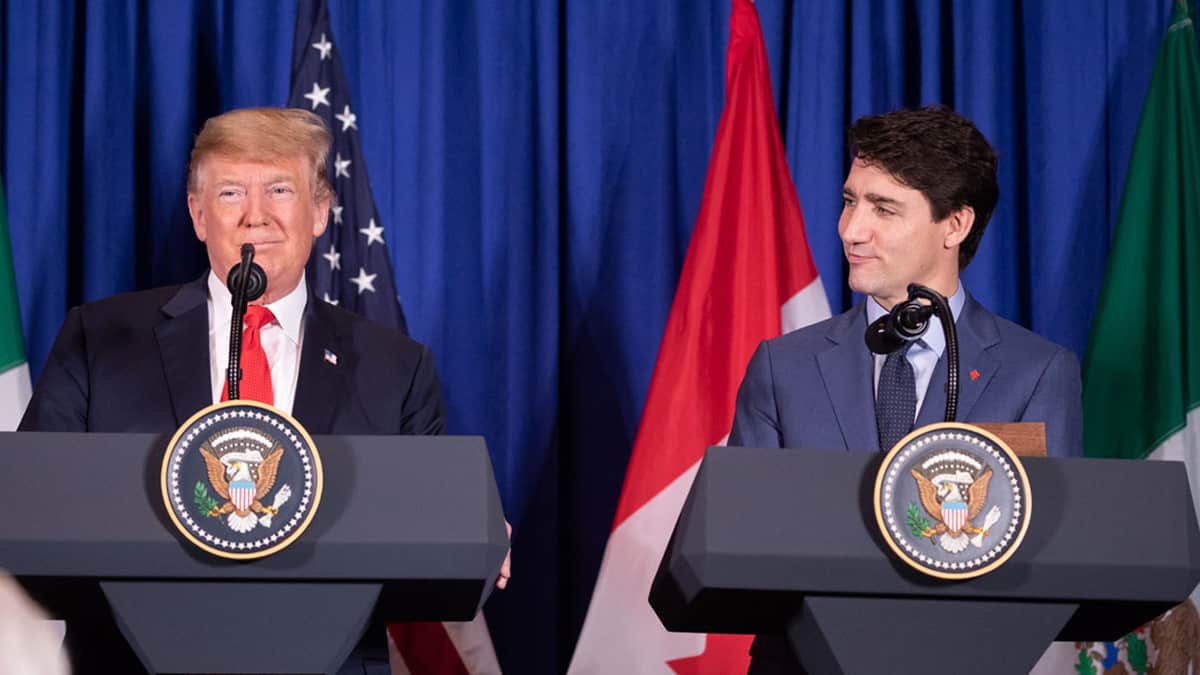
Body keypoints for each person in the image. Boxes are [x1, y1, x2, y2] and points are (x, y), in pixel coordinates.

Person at [19, 107, 509, 672]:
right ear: (198, 215)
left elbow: (432, 518)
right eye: (230, 193)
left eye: (280, 189)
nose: (257, 217)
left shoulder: (395, 366)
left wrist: (470, 519)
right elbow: (37, 504)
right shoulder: (99, 338)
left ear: (320, 211)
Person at [731, 105, 1082, 674]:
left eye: (883, 209)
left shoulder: (1037, 373)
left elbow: (1047, 557)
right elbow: (742, 543)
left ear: (955, 225)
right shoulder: (783, 367)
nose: (851, 230)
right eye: (850, 201)